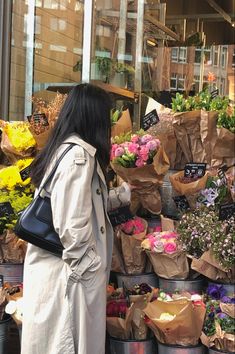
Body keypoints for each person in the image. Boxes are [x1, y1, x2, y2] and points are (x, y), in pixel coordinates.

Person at [21, 83, 129, 354]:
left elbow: (81, 204)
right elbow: (72, 224)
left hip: (63, 272)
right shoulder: (79, 157)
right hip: (68, 277)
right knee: (67, 345)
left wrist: (120, 196)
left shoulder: (64, 149)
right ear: (94, 117)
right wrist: (91, 270)